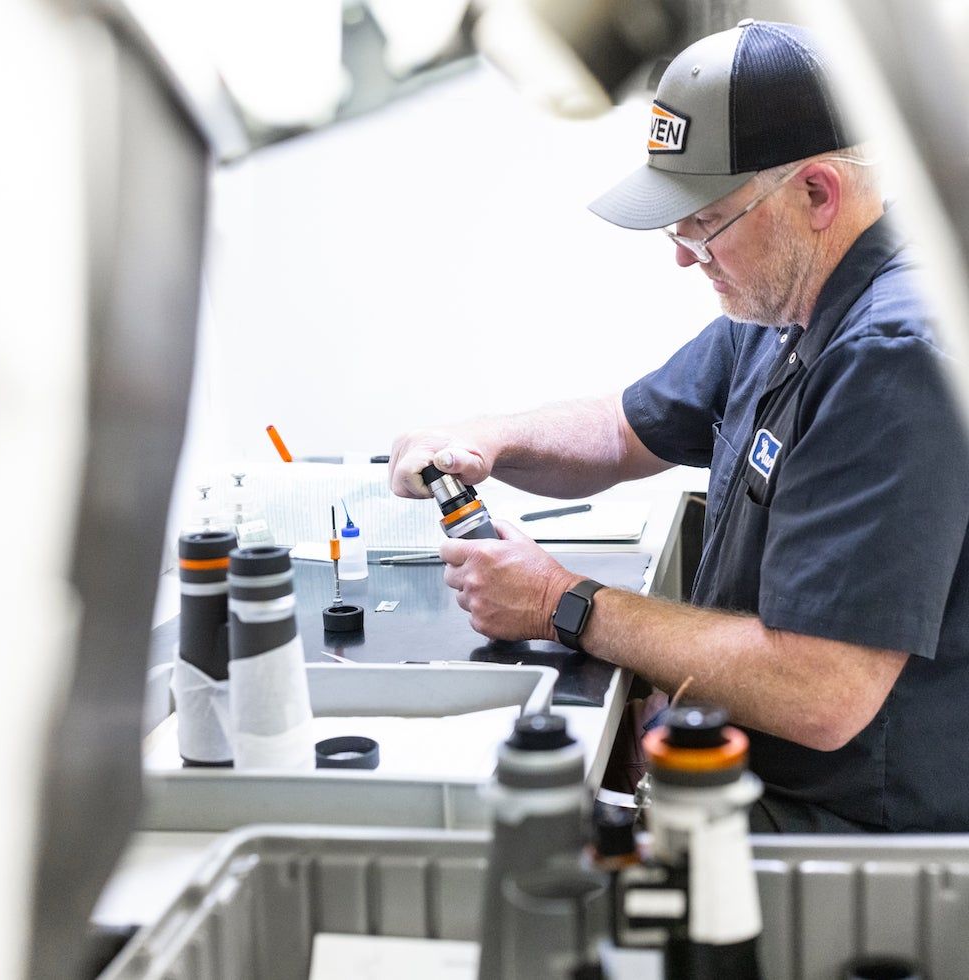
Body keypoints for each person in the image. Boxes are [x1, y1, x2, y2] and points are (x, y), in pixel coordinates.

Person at [389, 20, 969, 833]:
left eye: (705, 222)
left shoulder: (892, 356)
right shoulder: (782, 305)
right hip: (741, 776)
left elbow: (821, 690)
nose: (682, 255)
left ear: (814, 194)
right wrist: (485, 440)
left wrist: (563, 602)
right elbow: (625, 430)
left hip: (840, 833)